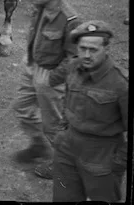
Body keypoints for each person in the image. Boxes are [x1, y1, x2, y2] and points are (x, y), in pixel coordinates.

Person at [12, 0, 81, 180]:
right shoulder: (40, 7)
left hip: (50, 76)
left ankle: (61, 162)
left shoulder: (70, 20)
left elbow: (74, 58)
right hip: (32, 66)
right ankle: (39, 146)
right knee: (22, 108)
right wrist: (30, 59)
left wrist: (51, 79)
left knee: (53, 125)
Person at [50, 21, 127, 202]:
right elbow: (67, 98)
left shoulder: (121, 84)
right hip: (67, 149)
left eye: (93, 50)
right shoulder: (73, 67)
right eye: (83, 48)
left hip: (101, 155)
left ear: (106, 49)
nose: (86, 55)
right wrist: (62, 131)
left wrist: (118, 163)